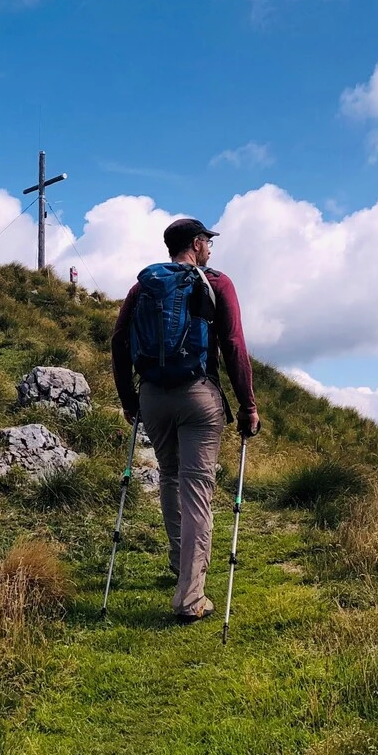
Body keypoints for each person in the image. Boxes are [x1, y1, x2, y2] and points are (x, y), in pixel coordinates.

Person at [111, 217, 259, 623]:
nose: (210, 247)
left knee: (170, 478)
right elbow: (233, 344)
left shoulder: (143, 287)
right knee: (196, 489)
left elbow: (119, 341)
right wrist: (247, 405)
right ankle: (190, 598)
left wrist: (129, 400)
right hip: (198, 394)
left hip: (152, 396)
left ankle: (180, 564)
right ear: (196, 243)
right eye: (207, 241)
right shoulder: (216, 283)